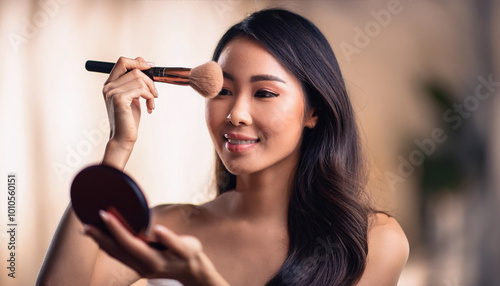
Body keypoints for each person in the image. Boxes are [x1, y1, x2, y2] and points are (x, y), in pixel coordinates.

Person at [37, 8, 409, 286]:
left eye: (264, 93)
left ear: (313, 111)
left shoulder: (371, 241)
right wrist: (117, 147)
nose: (236, 114)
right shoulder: (165, 227)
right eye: (223, 91)